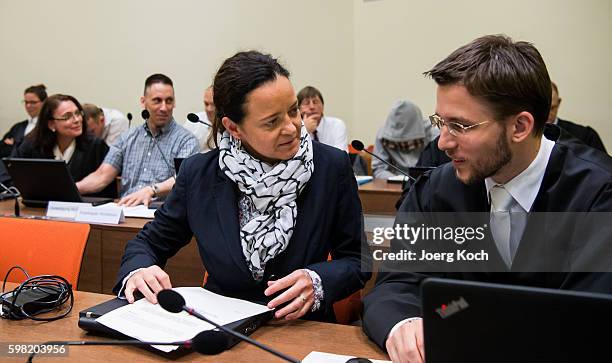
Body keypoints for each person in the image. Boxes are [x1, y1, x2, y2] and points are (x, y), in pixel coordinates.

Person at [362, 35, 612, 362]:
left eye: (460, 126)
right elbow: (396, 285)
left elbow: (590, 322)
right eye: (440, 122)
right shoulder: (436, 190)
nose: (442, 143)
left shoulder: (598, 196)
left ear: (520, 126)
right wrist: (405, 325)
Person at [115, 51, 370, 322]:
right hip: (219, 330)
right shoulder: (199, 174)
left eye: (293, 111)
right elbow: (149, 243)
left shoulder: (331, 167)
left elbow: (357, 260)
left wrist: (317, 281)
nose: (292, 128)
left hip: (302, 329)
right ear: (234, 128)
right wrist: (139, 269)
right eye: (272, 121)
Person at [76, 74, 199, 206]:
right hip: (127, 210)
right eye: (157, 100)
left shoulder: (187, 140)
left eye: (169, 101)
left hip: (163, 214)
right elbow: (101, 176)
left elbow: (183, 178)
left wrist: (152, 190)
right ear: (143, 102)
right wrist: (71, 188)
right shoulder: (127, 137)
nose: (164, 108)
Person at [11, 94, 115, 198]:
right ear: (51, 124)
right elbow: (13, 178)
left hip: (84, 209)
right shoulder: (32, 145)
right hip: (38, 208)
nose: (77, 120)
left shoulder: (96, 146)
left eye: (78, 113)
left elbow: (108, 191)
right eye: (67, 116)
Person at [372, 100, 439, 179]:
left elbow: (441, 167)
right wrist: (396, 179)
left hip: (427, 181)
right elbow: (379, 168)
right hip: (394, 183)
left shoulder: (434, 132)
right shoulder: (383, 134)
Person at [547, 81, 606, 153]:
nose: (547, 113)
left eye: (552, 108)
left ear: (559, 103)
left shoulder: (585, 136)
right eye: (543, 108)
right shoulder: (529, 135)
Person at [1, 84, 48, 158]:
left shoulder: (49, 126)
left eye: (33, 102)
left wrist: (14, 146)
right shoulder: (17, 127)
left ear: (44, 102)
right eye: (26, 102)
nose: (28, 106)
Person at [297, 86, 348, 151]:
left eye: (315, 102)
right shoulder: (295, 129)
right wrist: (304, 131)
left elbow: (341, 157)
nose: (312, 107)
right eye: (307, 103)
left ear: (322, 106)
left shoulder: (337, 125)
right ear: (299, 109)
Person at [184, 86, 215, 152]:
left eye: (213, 105)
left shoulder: (229, 126)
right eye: (206, 104)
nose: (209, 109)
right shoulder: (194, 121)